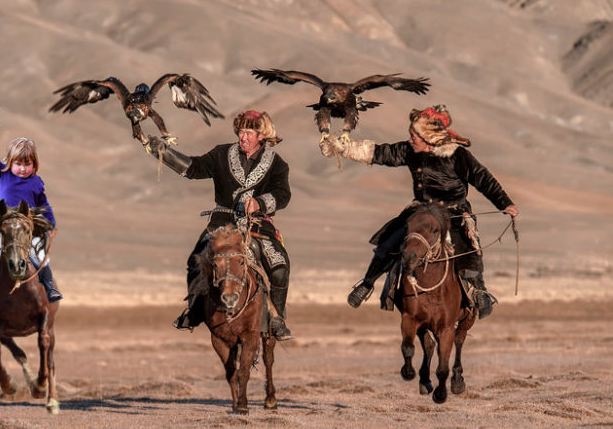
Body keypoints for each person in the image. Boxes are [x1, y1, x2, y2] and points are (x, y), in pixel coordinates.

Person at [321, 104, 518, 319]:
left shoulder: (457, 155)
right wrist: (341, 148)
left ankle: (479, 290)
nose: (410, 138)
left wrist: (504, 203)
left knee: (468, 247)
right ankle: (367, 284)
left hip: (454, 212)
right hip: (422, 211)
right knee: (389, 240)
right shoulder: (409, 151)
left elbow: (483, 178)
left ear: (428, 138)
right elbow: (379, 153)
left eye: (414, 135)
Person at [146, 110, 292, 340]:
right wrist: (165, 153)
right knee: (195, 260)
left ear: (261, 135)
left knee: (280, 266)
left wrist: (260, 202)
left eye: (249, 132)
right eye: (241, 131)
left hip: (258, 226)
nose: (243, 137)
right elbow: (193, 168)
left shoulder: (277, 164)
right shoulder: (221, 154)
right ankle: (193, 310)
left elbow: (283, 195)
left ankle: (277, 319)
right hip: (221, 224)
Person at [0, 136, 61, 306]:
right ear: (10, 162)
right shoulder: (3, 174)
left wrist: (51, 224)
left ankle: (50, 289)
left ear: (34, 165)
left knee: (42, 259)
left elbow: (44, 204)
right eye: (18, 164)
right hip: (8, 233)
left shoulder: (36, 182)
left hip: (28, 232)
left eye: (27, 164)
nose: (22, 169)